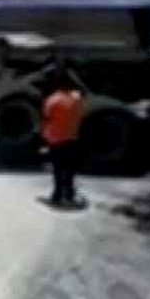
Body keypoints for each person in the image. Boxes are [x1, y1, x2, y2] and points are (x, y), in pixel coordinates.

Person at [42, 70, 85, 208]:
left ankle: (57, 195)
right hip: (72, 138)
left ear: (56, 84)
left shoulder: (52, 100)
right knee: (70, 168)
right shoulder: (76, 98)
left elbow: (47, 118)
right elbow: (81, 94)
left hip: (55, 139)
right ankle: (70, 194)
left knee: (57, 169)